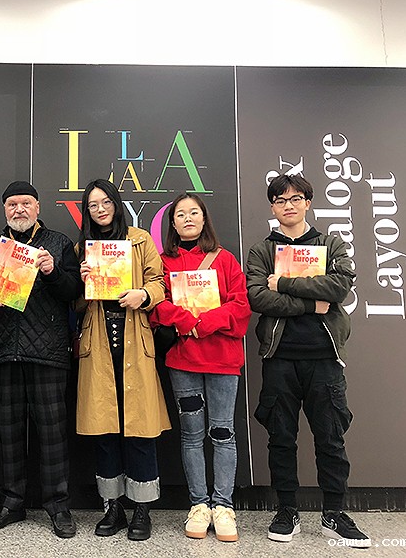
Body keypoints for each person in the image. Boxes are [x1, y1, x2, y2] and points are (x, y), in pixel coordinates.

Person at [246, 173, 371, 548]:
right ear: (272, 207)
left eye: (295, 198)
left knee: (331, 439)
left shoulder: (331, 243)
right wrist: (311, 304)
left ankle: (334, 513)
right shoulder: (261, 251)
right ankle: (287, 510)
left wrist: (283, 283)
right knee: (281, 439)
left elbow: (339, 287)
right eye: (280, 200)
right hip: (279, 358)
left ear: (307, 202)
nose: (288, 205)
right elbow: (258, 298)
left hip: (325, 358)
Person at [0, 181, 81, 539]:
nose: (19, 209)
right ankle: (12, 502)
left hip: (48, 351)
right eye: (12, 204)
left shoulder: (59, 243)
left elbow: (75, 292)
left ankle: (58, 505)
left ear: (38, 207)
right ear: (4, 209)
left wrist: (53, 272)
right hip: (3, 350)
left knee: (53, 433)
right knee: (8, 432)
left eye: (26, 203)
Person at [149, 193, 251, 542]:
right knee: (191, 435)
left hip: (222, 360)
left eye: (194, 212)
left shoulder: (225, 260)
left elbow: (240, 306)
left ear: (204, 218)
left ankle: (223, 505)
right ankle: (198, 504)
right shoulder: (163, 262)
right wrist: (186, 321)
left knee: (223, 432)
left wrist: (203, 323)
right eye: (180, 214)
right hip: (184, 361)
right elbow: (157, 305)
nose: (188, 218)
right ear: (173, 224)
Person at [75, 179, 171, 541]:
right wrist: (82, 284)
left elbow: (160, 282)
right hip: (98, 340)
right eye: (92, 205)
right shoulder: (82, 247)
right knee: (104, 429)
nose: (100, 209)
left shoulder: (140, 239)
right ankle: (112, 507)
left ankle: (142, 509)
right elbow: (74, 303)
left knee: (139, 427)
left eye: (105, 202)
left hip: (134, 337)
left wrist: (142, 294)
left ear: (116, 203)